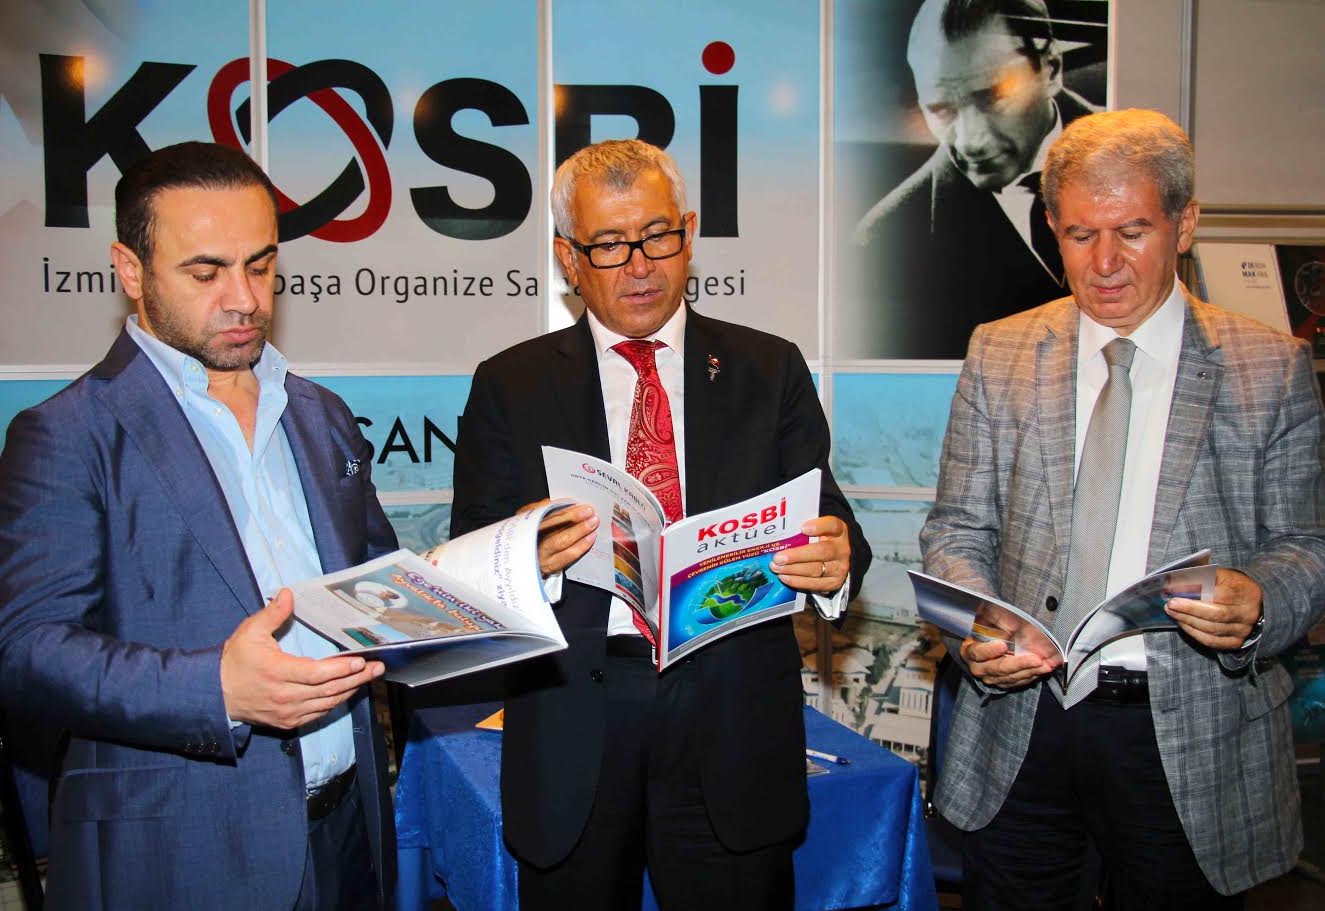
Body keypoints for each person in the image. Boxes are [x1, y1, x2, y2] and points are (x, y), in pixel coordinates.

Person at [452, 139, 872, 910]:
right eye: (609, 245)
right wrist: (523, 551)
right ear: (568, 258)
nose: (639, 265)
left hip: (732, 718)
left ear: (689, 232)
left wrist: (836, 561)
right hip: (576, 715)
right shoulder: (510, 384)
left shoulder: (767, 368)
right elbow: (470, 556)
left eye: (656, 236)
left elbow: (827, 513)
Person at [921, 108, 1325, 909]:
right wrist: (978, 623)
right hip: (1023, 724)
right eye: (1079, 234)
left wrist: (1257, 600)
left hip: (1191, 728)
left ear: (1184, 224)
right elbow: (957, 529)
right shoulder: (999, 351)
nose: (1103, 263)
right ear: (1051, 228)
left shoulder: (1269, 366)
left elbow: (1305, 544)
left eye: (1131, 232)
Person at [0, 142, 398, 909]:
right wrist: (217, 689)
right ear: (130, 270)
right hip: (180, 854)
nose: (244, 298)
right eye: (206, 273)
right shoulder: (67, 433)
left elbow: (375, 583)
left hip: (348, 835)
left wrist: (501, 567)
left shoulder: (321, 414)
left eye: (261, 266)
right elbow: (26, 653)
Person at [851, 0, 1100, 359]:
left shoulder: (1136, 176)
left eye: (994, 98)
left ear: (1051, 69)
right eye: (942, 110)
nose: (971, 141)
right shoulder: (883, 238)